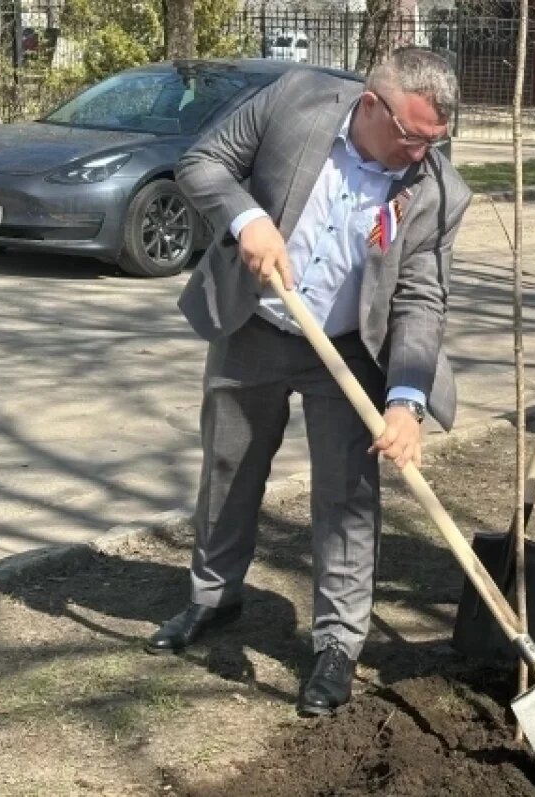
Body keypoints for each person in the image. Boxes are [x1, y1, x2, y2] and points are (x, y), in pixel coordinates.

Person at [145, 49, 472, 718]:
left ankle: (337, 643)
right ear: (373, 105)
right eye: (413, 136)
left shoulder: (437, 188)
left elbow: (421, 300)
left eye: (436, 142)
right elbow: (202, 162)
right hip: (255, 325)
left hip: (350, 350)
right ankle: (213, 597)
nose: (422, 154)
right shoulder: (296, 98)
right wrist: (248, 219)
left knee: (347, 496)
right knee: (228, 468)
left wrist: (406, 402)